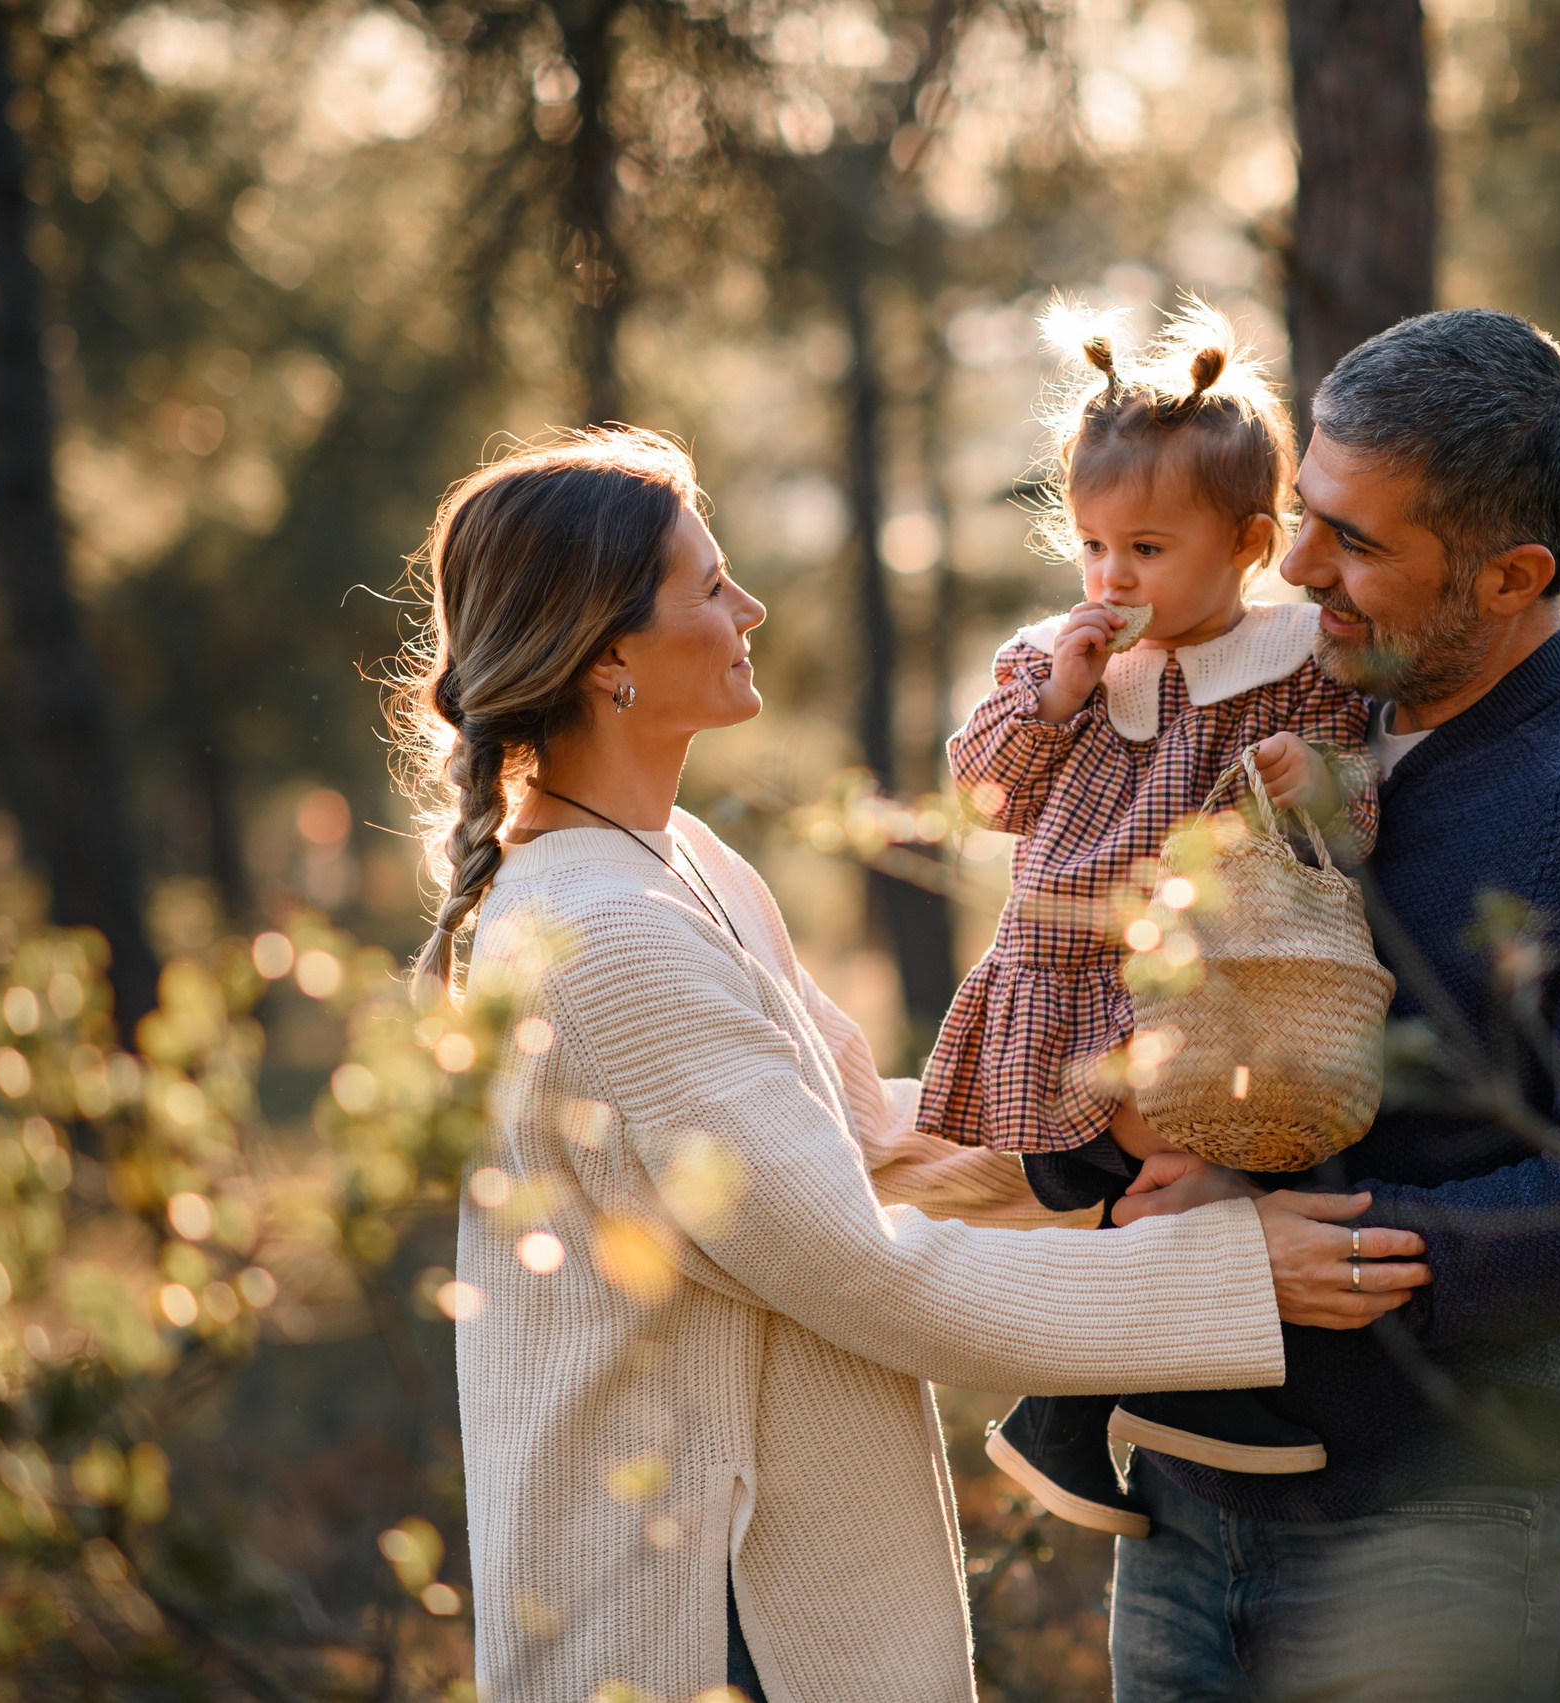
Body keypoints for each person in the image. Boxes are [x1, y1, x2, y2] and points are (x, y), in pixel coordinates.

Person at [396, 427, 1432, 1703]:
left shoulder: (679, 862)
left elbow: (860, 1138)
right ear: (611, 654)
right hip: (702, 1613)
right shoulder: (605, 937)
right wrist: (1230, 1273)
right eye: (710, 586)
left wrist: (1111, 1152)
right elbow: (862, 1265)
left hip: (760, 1580)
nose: (750, 606)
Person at [1043, 309, 1560, 1701]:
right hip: (1178, 1503)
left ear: (1511, 575)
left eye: (1357, 543)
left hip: (1434, 1528)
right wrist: (1104, 1125)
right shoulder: (1242, 729)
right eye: (1305, 512)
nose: (1297, 568)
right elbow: (1098, 1062)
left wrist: (1311, 1255)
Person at [918, 303, 1383, 1537]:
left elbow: (1354, 823)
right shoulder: (1055, 659)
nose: (1111, 580)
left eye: (1146, 549)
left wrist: (1315, 781)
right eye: (1091, 546)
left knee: (1214, 1165)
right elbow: (982, 796)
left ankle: (1083, 1413)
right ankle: (1144, 1400)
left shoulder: (1297, 664)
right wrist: (1060, 699)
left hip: (1216, 981)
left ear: (1246, 544)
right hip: (1072, 982)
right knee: (1188, 1170)